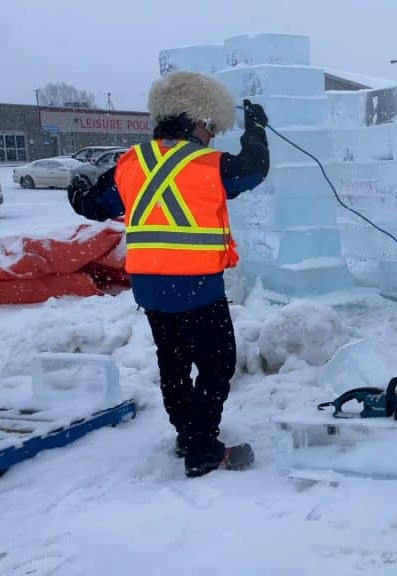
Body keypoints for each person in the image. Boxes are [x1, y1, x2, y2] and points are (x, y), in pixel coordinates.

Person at [67, 71, 270, 478]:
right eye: (210, 125)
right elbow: (254, 169)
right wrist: (257, 129)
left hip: (151, 287)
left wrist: (75, 191)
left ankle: (187, 434)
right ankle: (203, 450)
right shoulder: (208, 163)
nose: (212, 134)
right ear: (191, 119)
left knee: (173, 363)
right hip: (196, 285)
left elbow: (94, 204)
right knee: (216, 365)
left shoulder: (132, 162)